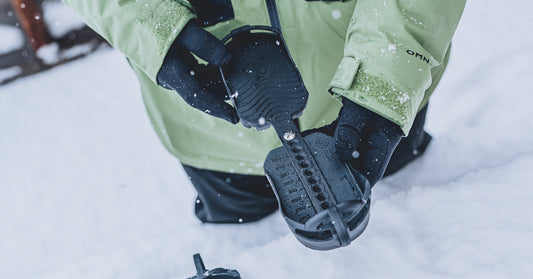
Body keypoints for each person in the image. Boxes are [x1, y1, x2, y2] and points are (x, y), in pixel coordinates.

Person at [62, 0, 466, 224]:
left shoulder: (384, 84)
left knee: (414, 199)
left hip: (374, 95)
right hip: (216, 135)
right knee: (247, 241)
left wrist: (387, 74)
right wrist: (142, 17)